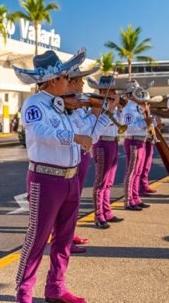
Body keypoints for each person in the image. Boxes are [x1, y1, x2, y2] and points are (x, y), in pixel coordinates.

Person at [12, 49, 91, 303]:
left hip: (70, 179)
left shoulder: (62, 106)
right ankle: (24, 291)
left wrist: (89, 114)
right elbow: (41, 133)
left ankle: (56, 287)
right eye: (66, 78)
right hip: (45, 180)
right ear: (54, 80)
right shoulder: (33, 104)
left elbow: (88, 134)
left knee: (64, 238)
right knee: (37, 238)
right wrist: (75, 137)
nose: (70, 82)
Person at [62, 64, 117, 253]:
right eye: (80, 80)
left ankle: (70, 233)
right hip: (74, 153)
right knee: (68, 200)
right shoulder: (68, 105)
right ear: (71, 82)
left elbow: (90, 132)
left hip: (82, 153)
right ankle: (63, 238)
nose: (83, 84)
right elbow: (86, 132)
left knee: (75, 198)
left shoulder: (79, 104)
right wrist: (98, 113)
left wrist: (97, 113)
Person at [87, 76, 126, 230]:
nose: (113, 93)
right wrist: (111, 107)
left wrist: (119, 109)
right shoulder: (97, 105)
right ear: (102, 91)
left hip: (113, 141)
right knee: (101, 181)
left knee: (109, 181)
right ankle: (98, 215)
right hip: (102, 142)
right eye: (110, 90)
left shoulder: (112, 105)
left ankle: (107, 211)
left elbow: (120, 124)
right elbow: (101, 123)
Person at [121, 81, 153, 211]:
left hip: (140, 140)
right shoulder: (129, 108)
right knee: (132, 172)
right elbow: (129, 129)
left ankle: (135, 197)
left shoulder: (137, 107)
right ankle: (128, 200)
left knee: (138, 172)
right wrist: (145, 122)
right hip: (133, 140)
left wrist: (150, 123)